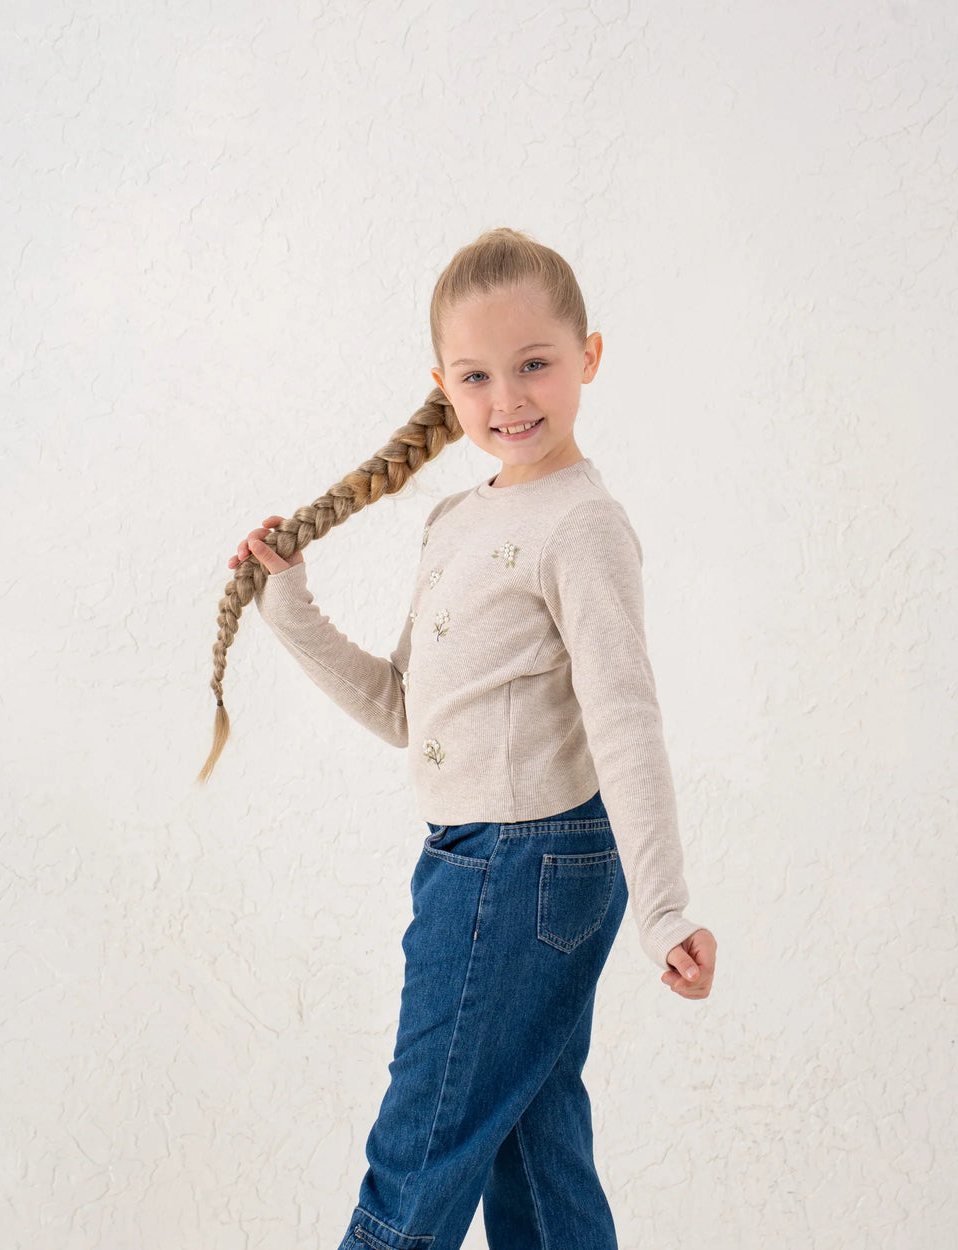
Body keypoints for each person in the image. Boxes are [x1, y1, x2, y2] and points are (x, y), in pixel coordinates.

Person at [205, 227, 717, 1250]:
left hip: (523, 866)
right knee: (534, 1148)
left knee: (422, 1143)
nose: (509, 397)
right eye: (478, 375)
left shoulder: (583, 525)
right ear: (443, 384)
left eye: (535, 363)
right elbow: (407, 710)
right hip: (471, 864)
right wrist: (288, 604)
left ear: (589, 358)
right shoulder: (456, 520)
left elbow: (625, 717)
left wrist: (663, 910)